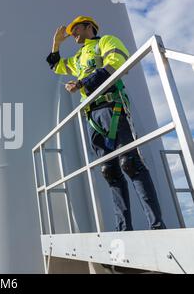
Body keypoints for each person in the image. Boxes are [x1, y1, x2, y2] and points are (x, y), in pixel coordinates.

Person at [46, 15, 166, 231]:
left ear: (89, 26)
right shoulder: (78, 57)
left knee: (130, 163)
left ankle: (157, 227)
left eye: (76, 28)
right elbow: (55, 67)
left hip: (113, 107)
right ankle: (124, 230)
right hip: (92, 116)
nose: (73, 33)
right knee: (108, 170)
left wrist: (82, 83)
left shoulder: (106, 42)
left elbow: (117, 63)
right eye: (71, 30)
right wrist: (56, 44)